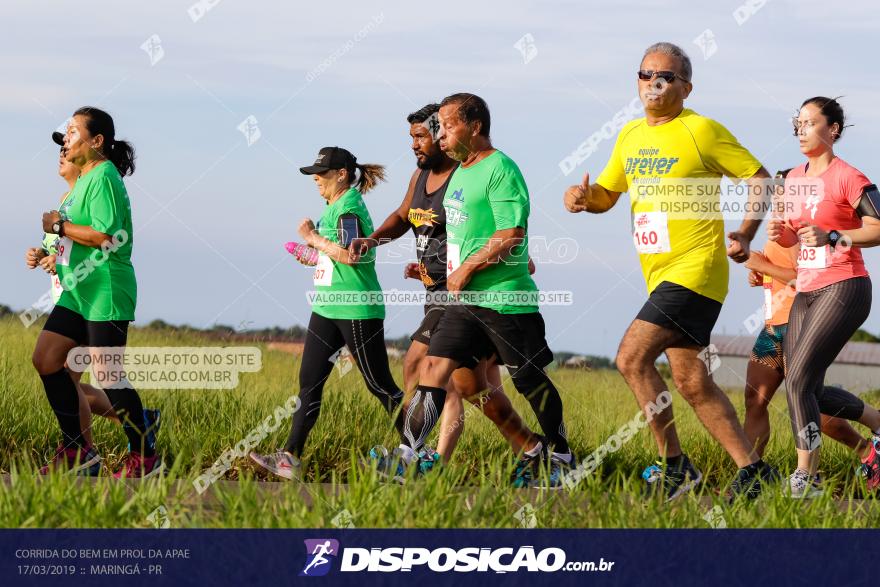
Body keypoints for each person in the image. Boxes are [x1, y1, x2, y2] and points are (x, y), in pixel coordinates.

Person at [564, 42, 778, 500]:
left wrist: (744, 231)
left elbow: (760, 178)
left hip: (696, 268)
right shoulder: (629, 136)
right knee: (692, 381)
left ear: (686, 87)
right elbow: (608, 193)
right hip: (659, 273)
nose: (653, 81)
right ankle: (754, 470)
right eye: (645, 73)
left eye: (665, 75)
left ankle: (675, 466)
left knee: (630, 358)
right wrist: (584, 200)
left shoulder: (701, 130)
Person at [368, 93, 573, 487]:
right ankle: (409, 455)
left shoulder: (501, 168)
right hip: (461, 301)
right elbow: (462, 235)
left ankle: (560, 456)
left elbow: (512, 232)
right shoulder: (460, 174)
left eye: (447, 126)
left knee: (529, 380)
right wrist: (435, 271)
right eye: (439, 127)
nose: (440, 135)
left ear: (475, 126)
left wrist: (468, 267)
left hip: (505, 299)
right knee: (434, 368)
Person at [249, 147, 406, 480]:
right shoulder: (332, 207)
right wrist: (311, 254)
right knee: (309, 383)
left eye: (321, 173)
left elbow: (353, 256)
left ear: (343, 175)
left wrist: (312, 237)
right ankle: (290, 458)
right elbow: (332, 258)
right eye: (314, 173)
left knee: (380, 385)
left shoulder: (348, 208)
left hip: (355, 308)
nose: (316, 178)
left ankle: (418, 452)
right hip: (326, 307)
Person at [33, 106, 161, 478]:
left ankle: (145, 457)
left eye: (73, 131)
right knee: (45, 359)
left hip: (105, 286)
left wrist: (60, 224)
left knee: (108, 376)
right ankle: (79, 451)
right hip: (78, 289)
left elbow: (107, 237)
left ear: (96, 141)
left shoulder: (104, 175)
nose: (66, 137)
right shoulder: (83, 180)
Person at [767, 97, 880, 497]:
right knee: (804, 387)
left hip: (845, 286)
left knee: (798, 379)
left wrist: (835, 235)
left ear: (832, 130)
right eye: (796, 123)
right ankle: (878, 424)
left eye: (809, 123)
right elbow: (797, 238)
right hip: (807, 288)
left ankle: (807, 478)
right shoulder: (792, 179)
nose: (800, 129)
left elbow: (877, 228)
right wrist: (782, 236)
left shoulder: (849, 176)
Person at [742, 173, 871, 484]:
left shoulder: (805, 230)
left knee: (816, 406)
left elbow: (805, 279)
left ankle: (866, 449)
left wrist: (762, 267)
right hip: (772, 327)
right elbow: (778, 272)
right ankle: (749, 472)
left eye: (785, 193)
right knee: (754, 398)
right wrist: (762, 277)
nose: (777, 199)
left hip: (801, 324)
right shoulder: (777, 229)